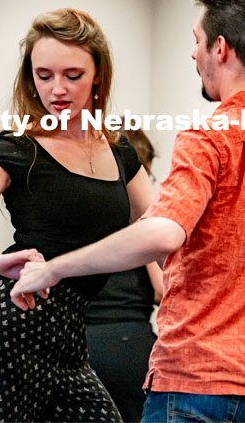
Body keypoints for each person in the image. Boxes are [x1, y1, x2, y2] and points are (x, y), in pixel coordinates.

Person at [12, 0, 245, 422]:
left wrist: (53, 269)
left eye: (197, 41)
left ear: (222, 49)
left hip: (200, 385)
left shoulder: (209, 137)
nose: (193, 54)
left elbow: (163, 232)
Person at [0, 8, 153, 422]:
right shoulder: (16, 149)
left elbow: (165, 231)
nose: (57, 89)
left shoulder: (120, 154)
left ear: (98, 74)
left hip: (67, 349)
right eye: (43, 76)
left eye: (72, 75)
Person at [85, 128, 164, 423]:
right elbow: (163, 285)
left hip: (81, 344)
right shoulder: (140, 222)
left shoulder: (84, 212)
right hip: (129, 344)